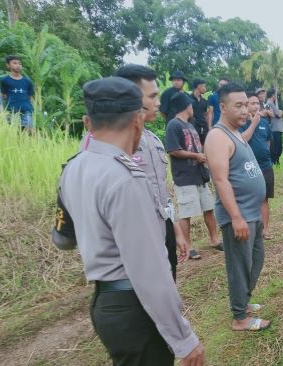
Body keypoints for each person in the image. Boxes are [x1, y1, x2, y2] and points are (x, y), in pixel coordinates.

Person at [54, 77, 204, 365]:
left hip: (105, 305)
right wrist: (184, 339)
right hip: (134, 307)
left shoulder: (73, 168)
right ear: (137, 120)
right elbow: (149, 271)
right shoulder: (127, 178)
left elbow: (63, 239)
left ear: (88, 122)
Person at [81, 64, 189, 281]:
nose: (158, 103)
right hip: (134, 236)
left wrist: (175, 228)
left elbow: (161, 193)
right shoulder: (103, 142)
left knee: (167, 287)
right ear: (130, 95)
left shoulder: (152, 139)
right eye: (152, 96)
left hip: (161, 228)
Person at [204, 82, 270, 331]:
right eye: (238, 105)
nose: (245, 110)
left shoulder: (234, 133)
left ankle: (243, 301)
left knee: (256, 259)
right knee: (240, 266)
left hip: (251, 212)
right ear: (222, 107)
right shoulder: (218, 136)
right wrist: (236, 217)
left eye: (247, 105)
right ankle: (240, 318)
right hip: (239, 215)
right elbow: (220, 180)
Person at [165, 92, 223, 260]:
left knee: (208, 208)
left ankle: (214, 239)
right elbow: (173, 150)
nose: (193, 108)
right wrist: (195, 156)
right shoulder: (173, 125)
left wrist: (202, 157)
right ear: (187, 106)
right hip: (185, 177)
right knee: (186, 212)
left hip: (200, 175)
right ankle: (188, 246)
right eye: (191, 105)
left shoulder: (190, 125)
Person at [239, 91, 274, 240]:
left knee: (264, 198)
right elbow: (241, 140)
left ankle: (265, 229)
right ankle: (250, 229)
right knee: (250, 199)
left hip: (266, 165)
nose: (255, 106)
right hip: (248, 167)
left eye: (257, 103)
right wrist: (253, 124)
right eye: (251, 103)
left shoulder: (265, 123)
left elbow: (268, 141)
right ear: (246, 106)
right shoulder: (240, 123)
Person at [0, 55, 35, 134]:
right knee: (15, 133)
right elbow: (3, 95)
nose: (18, 65)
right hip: (12, 111)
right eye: (14, 63)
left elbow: (30, 97)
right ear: (8, 65)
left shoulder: (27, 81)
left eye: (19, 63)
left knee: (30, 132)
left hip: (27, 110)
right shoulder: (5, 81)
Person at [265, 88, 283, 165]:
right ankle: (274, 161)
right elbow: (279, 114)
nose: (277, 96)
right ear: (273, 95)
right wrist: (281, 112)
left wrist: (280, 112)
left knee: (278, 146)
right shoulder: (270, 103)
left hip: (277, 128)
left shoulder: (272, 103)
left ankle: (276, 161)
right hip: (274, 128)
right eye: (276, 94)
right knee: (276, 146)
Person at [190, 79, 209, 145]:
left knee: (204, 146)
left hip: (203, 128)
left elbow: (206, 114)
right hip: (192, 127)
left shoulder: (204, 101)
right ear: (199, 87)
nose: (205, 88)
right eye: (204, 86)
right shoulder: (188, 99)